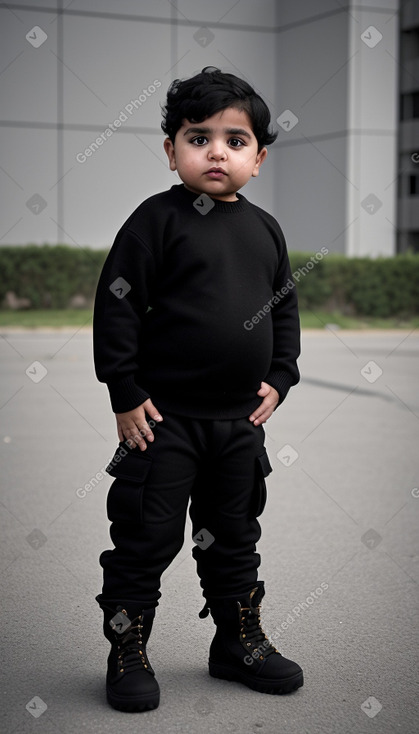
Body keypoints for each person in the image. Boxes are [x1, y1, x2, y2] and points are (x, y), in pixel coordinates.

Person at [93, 66, 303, 713]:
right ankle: (127, 649)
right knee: (145, 538)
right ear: (171, 150)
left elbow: (283, 310)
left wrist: (281, 376)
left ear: (258, 158)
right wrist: (124, 392)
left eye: (235, 140)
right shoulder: (155, 222)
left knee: (234, 535)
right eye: (198, 136)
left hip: (237, 425)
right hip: (162, 424)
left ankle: (237, 642)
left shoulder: (264, 230)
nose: (217, 151)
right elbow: (117, 305)